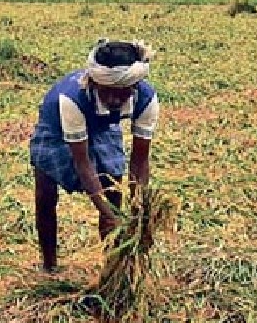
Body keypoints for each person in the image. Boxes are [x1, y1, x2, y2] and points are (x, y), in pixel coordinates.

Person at [29, 38, 160, 273]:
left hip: (102, 127)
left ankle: (113, 268)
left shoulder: (146, 99)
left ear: (134, 87)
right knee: (45, 193)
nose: (113, 100)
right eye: (107, 92)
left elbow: (140, 161)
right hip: (56, 128)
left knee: (113, 191)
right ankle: (49, 266)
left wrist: (139, 209)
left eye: (121, 95)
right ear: (94, 82)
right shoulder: (71, 99)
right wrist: (106, 213)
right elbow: (83, 163)